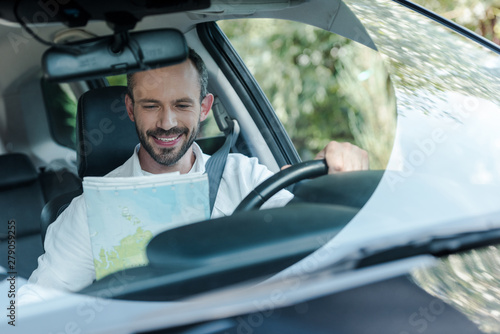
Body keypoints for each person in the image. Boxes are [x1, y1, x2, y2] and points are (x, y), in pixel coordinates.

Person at [18, 49, 369, 303]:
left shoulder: (244, 176)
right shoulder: (90, 210)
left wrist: (342, 183)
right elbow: (38, 302)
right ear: (129, 109)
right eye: (151, 105)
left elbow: (324, 243)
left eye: (182, 105)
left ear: (204, 108)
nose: (167, 123)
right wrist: (10, 305)